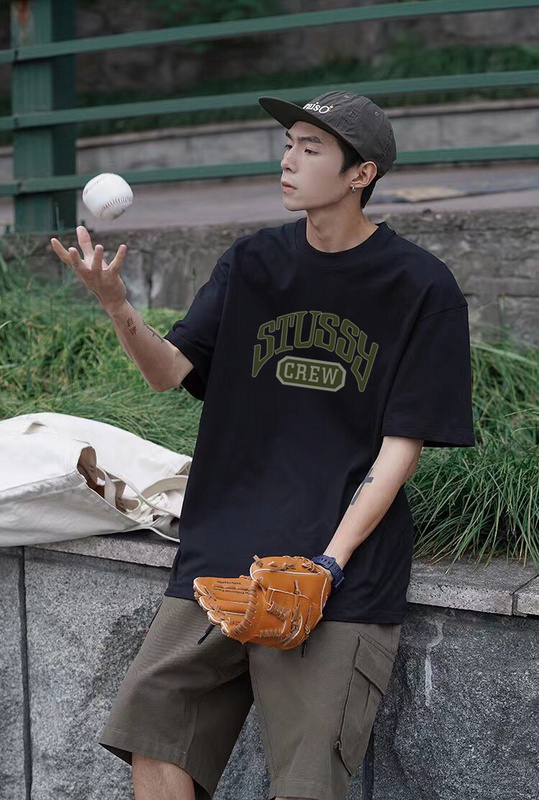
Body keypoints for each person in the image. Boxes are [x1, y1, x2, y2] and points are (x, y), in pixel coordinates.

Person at [50, 91, 475, 800]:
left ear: (360, 174)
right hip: (221, 556)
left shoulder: (420, 287)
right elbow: (169, 372)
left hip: (337, 577)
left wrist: (329, 564)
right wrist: (117, 304)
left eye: (311, 148)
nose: (288, 161)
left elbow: (400, 450)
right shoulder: (252, 261)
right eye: (288, 144)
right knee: (153, 738)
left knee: (305, 785)